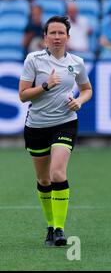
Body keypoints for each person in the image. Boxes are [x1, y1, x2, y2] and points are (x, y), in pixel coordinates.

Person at [18, 16, 93, 247]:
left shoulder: (77, 62)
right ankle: (50, 225)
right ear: (45, 37)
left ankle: (60, 229)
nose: (57, 37)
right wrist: (46, 85)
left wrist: (79, 102)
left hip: (65, 122)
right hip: (37, 125)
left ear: (68, 37)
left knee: (57, 174)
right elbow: (23, 95)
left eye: (61, 33)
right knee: (43, 179)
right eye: (53, 33)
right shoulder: (33, 59)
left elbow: (87, 89)